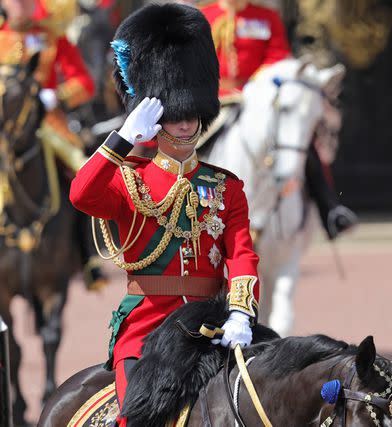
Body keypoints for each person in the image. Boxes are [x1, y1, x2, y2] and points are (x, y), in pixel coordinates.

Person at [69, 4, 260, 423]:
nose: (186, 124)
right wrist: (120, 140)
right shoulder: (128, 179)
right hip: (149, 331)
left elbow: (242, 253)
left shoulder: (225, 187)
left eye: (191, 114)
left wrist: (243, 310)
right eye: (175, 115)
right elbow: (82, 194)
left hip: (215, 324)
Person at [199, 0, 357, 240]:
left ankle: (330, 209)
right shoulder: (203, 16)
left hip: (256, 97)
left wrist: (256, 88)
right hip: (215, 99)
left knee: (300, 143)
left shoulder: (265, 17)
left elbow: (278, 57)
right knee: (185, 142)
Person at [0, 0, 109, 289]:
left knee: (83, 171)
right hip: (5, 124)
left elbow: (84, 82)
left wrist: (56, 96)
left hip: (49, 123)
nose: (20, 6)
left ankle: (88, 258)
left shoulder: (52, 37)